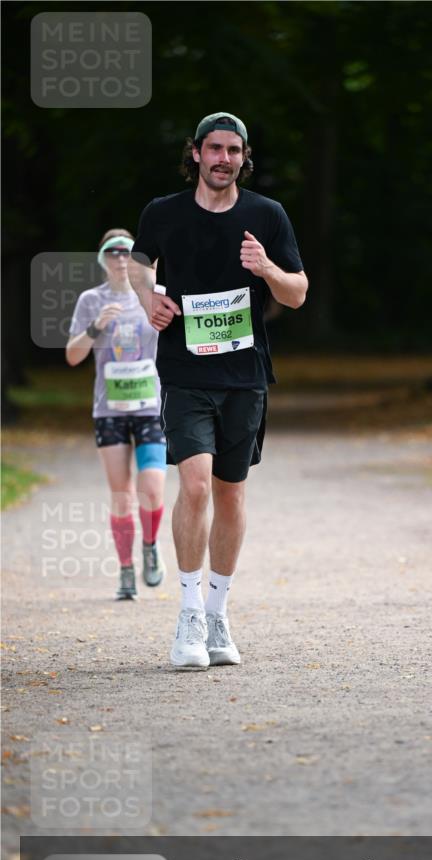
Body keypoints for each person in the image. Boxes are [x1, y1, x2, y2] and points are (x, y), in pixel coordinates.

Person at [129, 112, 307, 669]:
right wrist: (148, 299)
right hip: (185, 374)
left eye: (233, 150)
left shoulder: (266, 215)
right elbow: (138, 262)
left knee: (231, 493)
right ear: (196, 153)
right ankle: (187, 613)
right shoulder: (163, 212)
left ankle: (217, 612)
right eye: (214, 148)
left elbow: (298, 292)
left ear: (244, 157)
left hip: (244, 377)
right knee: (196, 485)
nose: (223, 159)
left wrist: (267, 269)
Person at [66, 228, 167, 600]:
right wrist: (96, 327)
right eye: (113, 252)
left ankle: (150, 545)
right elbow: (73, 356)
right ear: (102, 258)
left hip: (150, 407)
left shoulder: (156, 294)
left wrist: (153, 283)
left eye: (128, 252)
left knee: (152, 489)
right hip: (109, 410)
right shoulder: (91, 300)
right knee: (121, 494)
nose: (121, 258)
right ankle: (126, 569)